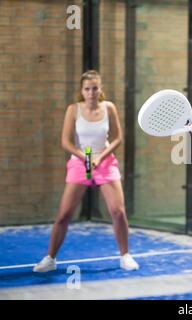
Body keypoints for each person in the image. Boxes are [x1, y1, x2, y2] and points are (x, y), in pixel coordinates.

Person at [33, 70, 139, 272]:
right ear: (81, 91)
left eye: (95, 88)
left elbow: (117, 138)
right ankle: (50, 259)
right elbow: (65, 142)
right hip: (79, 163)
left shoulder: (109, 108)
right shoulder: (73, 110)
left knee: (118, 211)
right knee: (64, 214)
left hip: (105, 163)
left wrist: (100, 157)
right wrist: (85, 158)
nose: (91, 92)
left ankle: (125, 256)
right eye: (87, 89)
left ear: (101, 90)